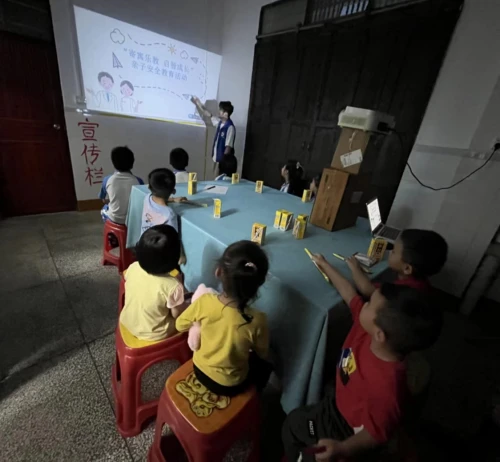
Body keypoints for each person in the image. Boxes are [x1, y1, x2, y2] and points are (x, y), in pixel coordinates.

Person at [282, 254, 442, 461]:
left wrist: (343, 448)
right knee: (298, 419)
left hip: (344, 428)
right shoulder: (368, 327)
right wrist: (324, 265)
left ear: (380, 334)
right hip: (338, 399)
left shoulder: (389, 389)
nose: (364, 303)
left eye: (369, 304)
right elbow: (349, 293)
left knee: (293, 428)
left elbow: (377, 434)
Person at [176, 240, 272, 396]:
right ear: (260, 282)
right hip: (232, 384)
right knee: (266, 365)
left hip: (199, 370)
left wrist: (198, 324)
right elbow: (263, 353)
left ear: (218, 272)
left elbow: (180, 325)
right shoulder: (258, 320)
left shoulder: (204, 302)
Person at [119, 225, 188, 345]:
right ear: (174, 259)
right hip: (156, 332)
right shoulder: (173, 286)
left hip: (128, 321)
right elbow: (177, 314)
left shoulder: (133, 267)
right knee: (189, 316)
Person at [346, 229, 448, 297]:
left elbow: (367, 290)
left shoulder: (404, 291)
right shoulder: (420, 280)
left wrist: (355, 268)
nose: (390, 252)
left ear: (407, 268)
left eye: (394, 251)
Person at [191, 97, 235, 175]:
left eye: (220, 110)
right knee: (214, 177)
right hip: (216, 158)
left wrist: (223, 163)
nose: (218, 111)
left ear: (226, 113)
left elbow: (228, 147)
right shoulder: (219, 123)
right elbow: (207, 114)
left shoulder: (230, 127)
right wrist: (198, 103)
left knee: (218, 179)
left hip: (221, 161)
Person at [99, 146, 143, 224]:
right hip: (133, 219)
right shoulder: (139, 181)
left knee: (104, 208)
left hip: (115, 219)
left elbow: (103, 199)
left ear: (113, 163)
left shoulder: (107, 179)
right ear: (132, 163)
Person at [141, 168, 185, 234]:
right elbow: (173, 237)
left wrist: (173, 199)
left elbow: (159, 199)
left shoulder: (147, 198)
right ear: (173, 191)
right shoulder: (169, 214)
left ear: (149, 187)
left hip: (143, 239)